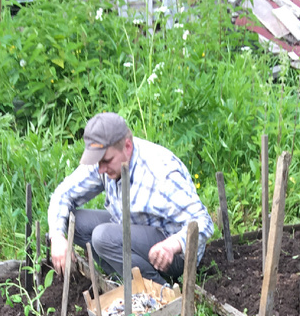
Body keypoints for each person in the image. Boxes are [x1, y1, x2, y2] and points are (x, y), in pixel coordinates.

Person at [48, 112, 214, 287]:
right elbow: (62, 194)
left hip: (173, 252)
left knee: (102, 237)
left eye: (107, 161)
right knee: (75, 222)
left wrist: (171, 245)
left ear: (127, 146)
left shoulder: (161, 173)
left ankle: (158, 291)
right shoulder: (104, 162)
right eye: (98, 162)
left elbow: (204, 222)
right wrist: (57, 237)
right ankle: (123, 278)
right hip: (132, 230)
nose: (101, 169)